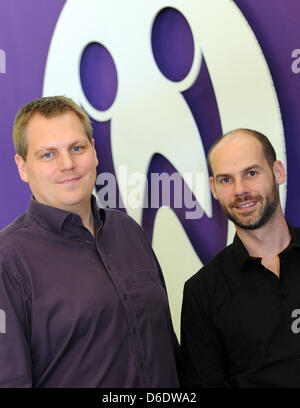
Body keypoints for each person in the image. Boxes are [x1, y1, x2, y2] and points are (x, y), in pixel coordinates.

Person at [0, 95, 179, 388]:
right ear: (22, 167)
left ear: (94, 152)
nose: (67, 164)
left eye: (76, 148)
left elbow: (167, 349)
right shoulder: (8, 260)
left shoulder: (128, 231)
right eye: (48, 155)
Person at [180, 128, 300, 388]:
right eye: (226, 180)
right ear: (213, 188)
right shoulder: (201, 293)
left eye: (251, 173)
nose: (240, 190)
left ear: (278, 172)